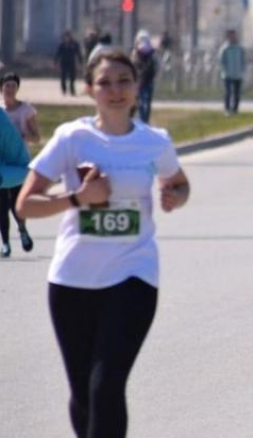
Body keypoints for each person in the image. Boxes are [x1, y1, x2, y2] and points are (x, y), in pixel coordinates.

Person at [16, 49, 190, 438]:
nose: (115, 91)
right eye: (105, 83)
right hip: (72, 281)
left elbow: (179, 182)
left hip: (133, 276)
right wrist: (79, 198)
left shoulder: (153, 142)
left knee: (106, 384)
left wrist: (175, 196)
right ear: (88, 90)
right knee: (83, 392)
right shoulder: (72, 138)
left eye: (124, 81)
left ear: (137, 86)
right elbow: (25, 205)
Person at [0, 74, 33, 258]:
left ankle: (22, 230)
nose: (9, 89)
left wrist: (23, 136)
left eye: (13, 86)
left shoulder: (25, 110)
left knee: (16, 204)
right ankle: (5, 242)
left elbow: (36, 136)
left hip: (18, 164)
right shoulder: (0, 110)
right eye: (6, 86)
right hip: (1, 165)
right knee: (1, 205)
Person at [131, 31, 158, 123]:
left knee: (142, 101)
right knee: (145, 102)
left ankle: (143, 119)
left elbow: (133, 64)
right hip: (146, 81)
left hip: (142, 81)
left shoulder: (136, 52)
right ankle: (145, 119)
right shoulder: (151, 52)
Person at [219, 30, 247, 115]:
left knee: (237, 93)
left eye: (234, 35)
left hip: (238, 74)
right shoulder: (225, 48)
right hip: (228, 74)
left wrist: (242, 69)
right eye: (231, 36)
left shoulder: (239, 48)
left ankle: (235, 109)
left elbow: (243, 60)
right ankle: (227, 109)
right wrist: (224, 69)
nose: (233, 37)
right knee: (228, 92)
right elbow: (221, 60)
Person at [55, 31, 84, 96]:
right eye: (66, 36)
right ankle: (64, 90)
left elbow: (78, 53)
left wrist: (80, 62)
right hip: (64, 62)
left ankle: (72, 90)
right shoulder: (62, 44)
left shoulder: (75, 44)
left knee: (72, 77)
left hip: (71, 62)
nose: (67, 37)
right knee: (63, 77)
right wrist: (56, 62)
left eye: (69, 36)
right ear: (64, 37)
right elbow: (58, 54)